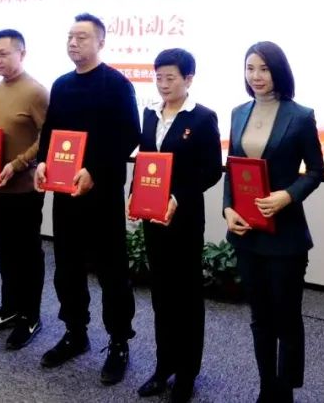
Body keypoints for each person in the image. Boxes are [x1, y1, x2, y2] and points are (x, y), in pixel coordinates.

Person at [35, 13, 141, 386]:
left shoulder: (117, 84)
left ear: (101, 42)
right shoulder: (62, 85)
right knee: (67, 266)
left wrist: (94, 170)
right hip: (66, 194)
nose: (73, 42)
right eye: (70, 36)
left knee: (112, 271)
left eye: (81, 37)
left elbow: (129, 134)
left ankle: (119, 341)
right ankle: (75, 332)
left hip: (102, 193)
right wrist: (43, 162)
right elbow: (50, 133)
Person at [223, 41, 323, 403]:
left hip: (285, 235)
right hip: (248, 232)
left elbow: (316, 171)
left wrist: (288, 195)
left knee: (286, 316)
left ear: (278, 70)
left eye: (264, 68)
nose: (256, 76)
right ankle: (267, 386)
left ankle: (286, 388)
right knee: (260, 317)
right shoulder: (238, 113)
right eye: (250, 68)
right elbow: (232, 169)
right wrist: (227, 209)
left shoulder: (300, 116)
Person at [130, 48, 222, 402]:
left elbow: (211, 171)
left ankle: (186, 374)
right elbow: (145, 160)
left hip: (183, 219)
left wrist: (178, 197)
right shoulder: (150, 113)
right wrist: (134, 194)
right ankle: (163, 366)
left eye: (171, 78)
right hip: (153, 219)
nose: (164, 84)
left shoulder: (202, 118)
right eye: (159, 77)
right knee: (161, 294)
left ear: (188, 79)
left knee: (186, 297)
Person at [0, 29, 49, 350]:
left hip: (24, 189)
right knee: (2, 248)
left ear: (22, 53)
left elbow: (48, 138)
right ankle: (10, 308)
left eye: (3, 53)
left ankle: (30, 315)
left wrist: (17, 164)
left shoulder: (36, 92)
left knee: (27, 252)